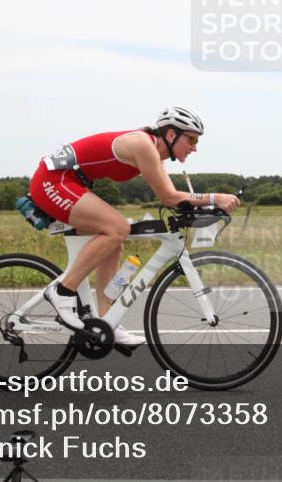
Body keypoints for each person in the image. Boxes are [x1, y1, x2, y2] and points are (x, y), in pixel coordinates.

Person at [28, 106, 241, 346]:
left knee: (114, 243)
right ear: (171, 135)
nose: (194, 147)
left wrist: (202, 206)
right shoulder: (144, 146)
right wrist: (215, 197)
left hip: (70, 181)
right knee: (118, 228)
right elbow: (169, 197)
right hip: (53, 180)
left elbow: (172, 195)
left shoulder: (155, 153)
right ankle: (62, 292)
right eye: (191, 139)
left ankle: (108, 321)